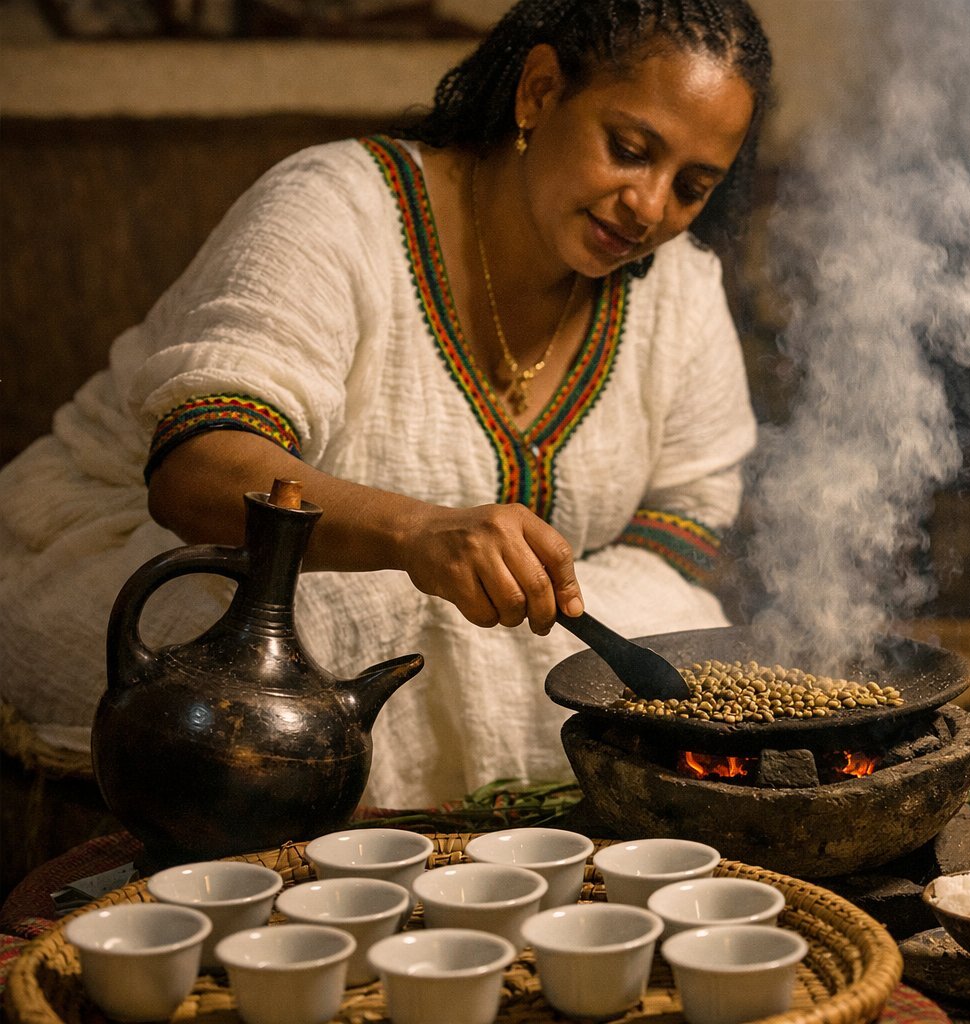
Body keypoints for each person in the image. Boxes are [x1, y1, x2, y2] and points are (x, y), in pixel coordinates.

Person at [0, 0, 774, 808]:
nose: (650, 208)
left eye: (692, 186)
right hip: (159, 564)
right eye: (629, 150)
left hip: (455, 622)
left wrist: (531, 600)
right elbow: (198, 472)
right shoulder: (332, 207)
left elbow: (686, 522)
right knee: (338, 624)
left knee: (678, 631)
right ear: (540, 93)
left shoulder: (680, 285)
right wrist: (416, 533)